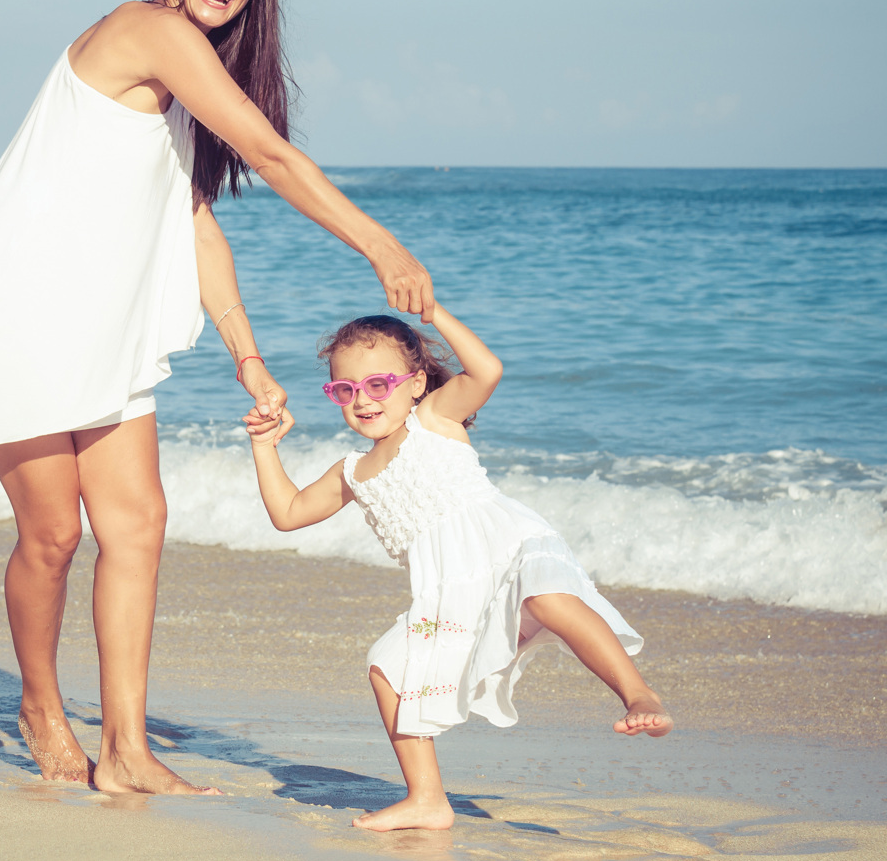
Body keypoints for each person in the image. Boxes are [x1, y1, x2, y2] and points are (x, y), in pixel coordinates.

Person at [0, 0, 433, 795]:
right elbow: (273, 156)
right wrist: (380, 245)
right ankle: (42, 708)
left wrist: (245, 352)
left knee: (137, 526)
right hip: (25, 317)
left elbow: (195, 220)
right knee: (51, 535)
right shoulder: (145, 30)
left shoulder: (182, 86)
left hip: (105, 328)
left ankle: (125, 748)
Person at [245, 305, 671, 830]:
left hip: (507, 547)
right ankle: (427, 799)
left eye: (379, 384)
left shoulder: (435, 420)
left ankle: (637, 693)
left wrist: (434, 312)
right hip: (446, 593)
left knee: (547, 598)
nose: (363, 400)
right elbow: (288, 514)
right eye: (346, 390)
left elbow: (487, 370)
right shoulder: (352, 471)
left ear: (417, 382)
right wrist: (264, 446)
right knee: (388, 668)